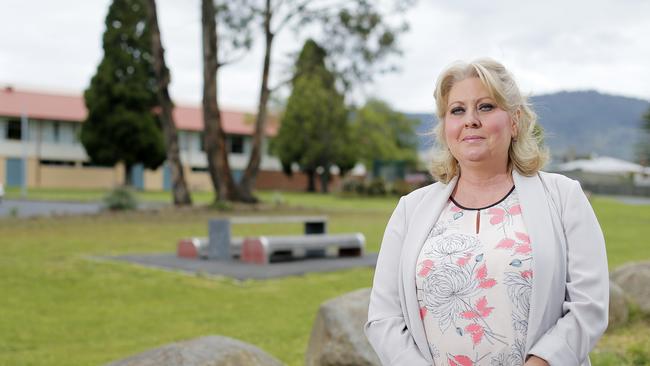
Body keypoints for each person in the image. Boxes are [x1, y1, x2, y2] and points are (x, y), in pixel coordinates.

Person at [365, 58, 608, 366]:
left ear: (515, 120)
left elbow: (589, 307)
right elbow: (383, 317)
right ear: (445, 127)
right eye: (457, 110)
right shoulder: (410, 210)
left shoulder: (564, 198)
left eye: (486, 106)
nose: (470, 120)